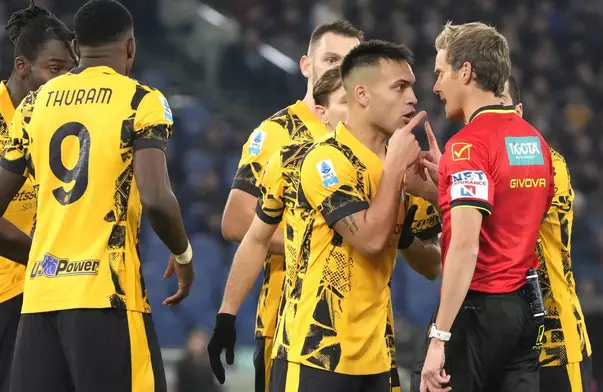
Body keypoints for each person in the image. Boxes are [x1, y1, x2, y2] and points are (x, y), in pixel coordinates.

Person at [0, 1, 194, 391]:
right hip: (107, 296)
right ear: (130, 47)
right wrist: (184, 256)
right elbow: (156, 197)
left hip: (39, 300)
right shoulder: (141, 100)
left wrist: (41, 256)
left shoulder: (34, 105)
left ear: (76, 46)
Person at [264, 40, 441, 392]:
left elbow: (433, 264)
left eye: (412, 88)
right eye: (400, 87)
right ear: (362, 94)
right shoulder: (324, 161)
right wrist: (393, 177)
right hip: (316, 355)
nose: (413, 99)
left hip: (378, 358)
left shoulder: (403, 166)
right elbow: (371, 241)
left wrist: (432, 196)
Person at [212, 21, 363, 392]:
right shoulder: (277, 133)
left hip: (362, 324)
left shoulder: (368, 137)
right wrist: (313, 240)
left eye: (349, 61)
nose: (338, 70)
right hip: (286, 322)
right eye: (330, 59)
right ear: (305, 65)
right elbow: (235, 223)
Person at [418, 22, 554, 392]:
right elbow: (514, 217)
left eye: (441, 73)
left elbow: (465, 245)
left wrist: (439, 336)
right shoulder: (536, 143)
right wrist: (447, 187)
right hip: (525, 312)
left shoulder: (467, 148)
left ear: (466, 72)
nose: (436, 86)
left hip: (477, 312)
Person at [0, 3, 77, 391]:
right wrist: (45, 259)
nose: (64, 80)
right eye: (55, 69)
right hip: (9, 292)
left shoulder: (68, 124)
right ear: (21, 67)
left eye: (70, 70)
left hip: (48, 290)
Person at [503, 76, 593, 392]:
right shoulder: (472, 165)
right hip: (498, 346)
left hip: (555, 343)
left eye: (501, 106)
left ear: (519, 110)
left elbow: (511, 223)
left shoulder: (549, 162)